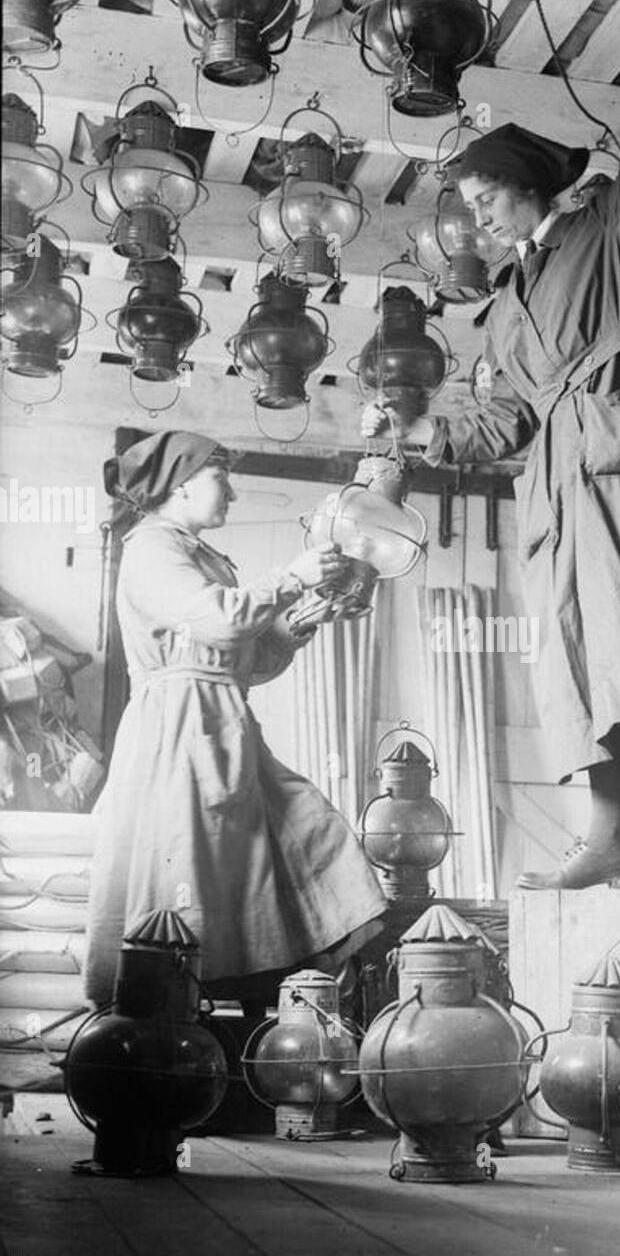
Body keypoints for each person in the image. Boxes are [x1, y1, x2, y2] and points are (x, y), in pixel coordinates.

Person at [361, 0, 620, 892]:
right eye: (470, 204)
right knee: (583, 651)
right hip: (557, 482)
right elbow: (503, 421)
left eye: (488, 196)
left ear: (531, 184)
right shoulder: (503, 313)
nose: (479, 217)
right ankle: (603, 834)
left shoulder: (606, 225)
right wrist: (416, 427)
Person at [83, 431, 388, 1009]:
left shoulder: (199, 554)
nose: (234, 493)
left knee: (306, 835)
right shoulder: (152, 547)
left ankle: (253, 999)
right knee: (194, 877)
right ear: (182, 484)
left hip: (219, 722)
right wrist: (292, 576)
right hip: (177, 733)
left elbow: (242, 663)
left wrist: (301, 619)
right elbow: (220, 623)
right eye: (222, 478)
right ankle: (182, 1016)